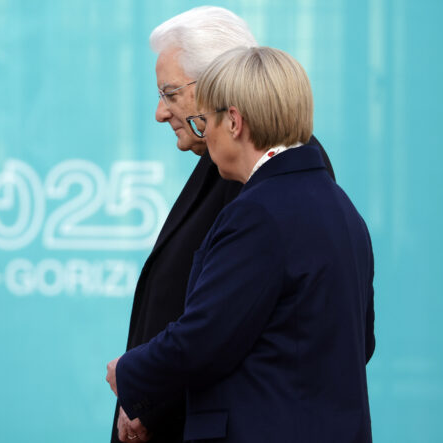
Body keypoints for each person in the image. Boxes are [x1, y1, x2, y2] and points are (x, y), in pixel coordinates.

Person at [107, 46, 375, 442]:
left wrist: (130, 372)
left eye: (204, 121)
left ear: (233, 121)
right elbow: (360, 343)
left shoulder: (258, 213)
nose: (204, 135)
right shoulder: (343, 209)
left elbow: (205, 338)